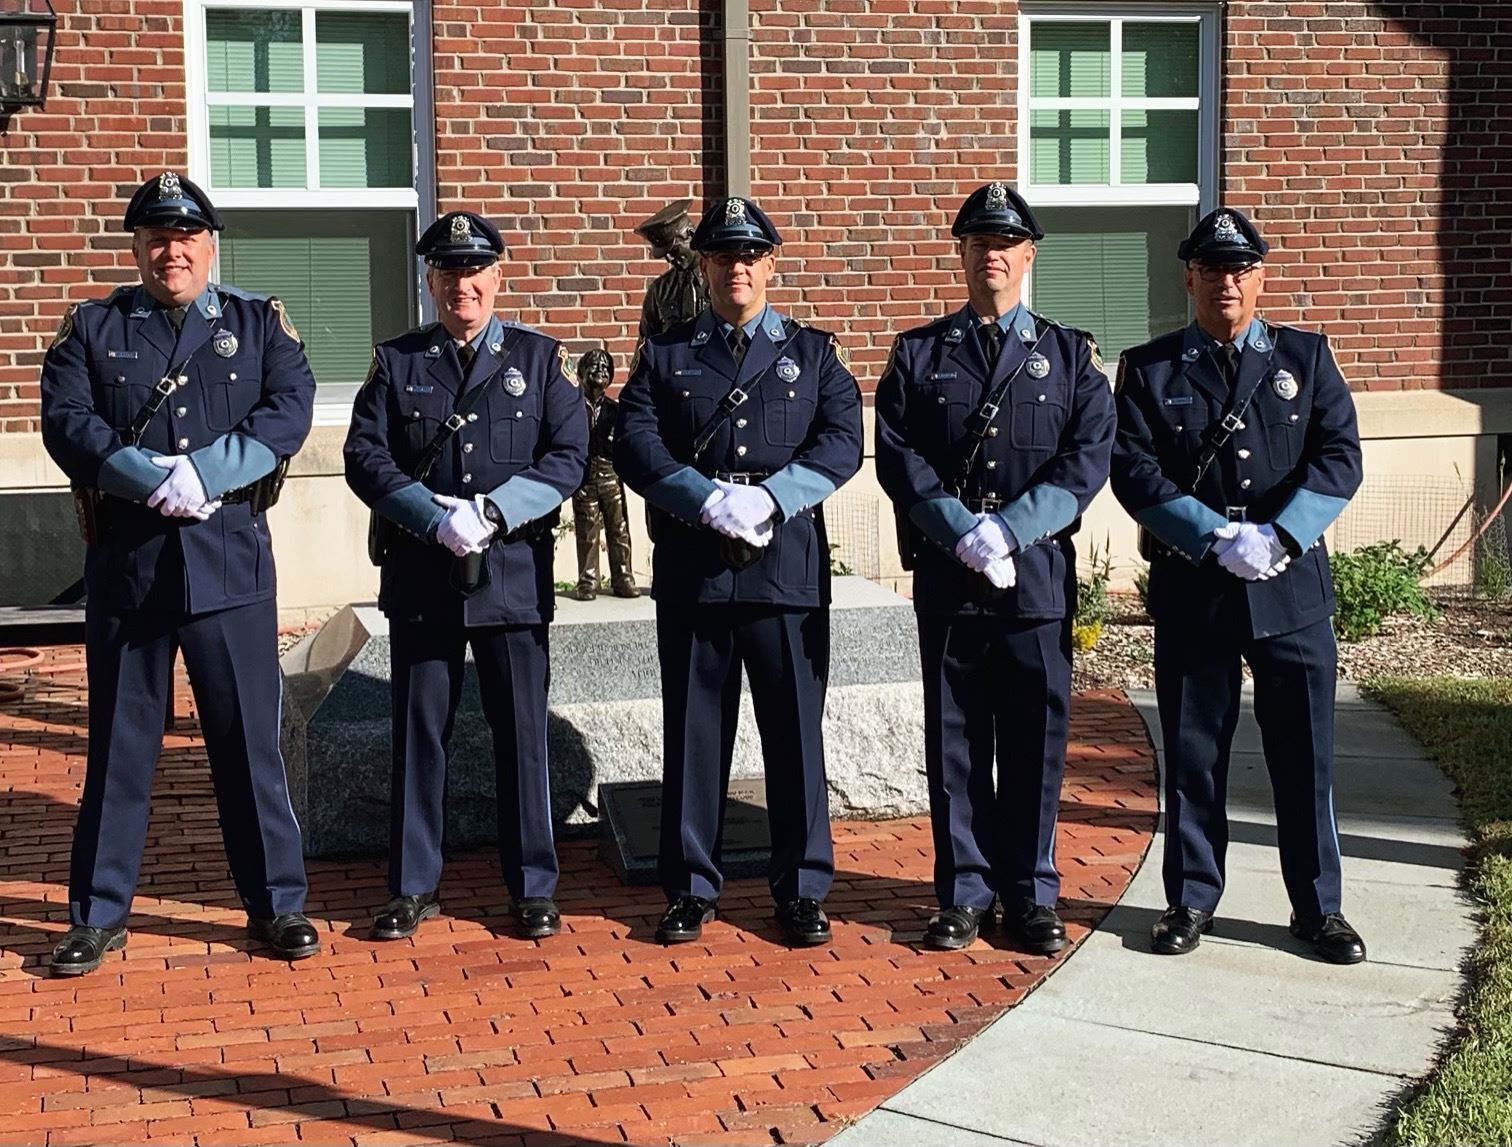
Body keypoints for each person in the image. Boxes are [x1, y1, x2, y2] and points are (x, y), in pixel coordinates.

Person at [39, 171, 318, 975]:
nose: (173, 251)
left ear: (210, 243)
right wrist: (141, 473)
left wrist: (209, 472)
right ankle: (97, 913)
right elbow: (66, 420)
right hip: (131, 571)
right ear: (138, 247)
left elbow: (289, 406)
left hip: (227, 568)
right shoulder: (94, 327)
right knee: (121, 749)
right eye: (158, 238)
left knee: (246, 748)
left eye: (187, 236)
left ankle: (277, 904)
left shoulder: (256, 323)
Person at [1110, 207, 1366, 964]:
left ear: (1260, 277)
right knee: (1193, 756)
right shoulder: (1152, 368)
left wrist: (1281, 534)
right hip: (1198, 589)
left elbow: (1339, 456)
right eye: (1212, 269)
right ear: (1189, 276)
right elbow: (1133, 468)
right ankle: (1191, 899)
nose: (1227, 281)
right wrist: (1212, 535)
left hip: (1290, 590)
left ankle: (1318, 907)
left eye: (1240, 269)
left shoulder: (1306, 358)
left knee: (1305, 757)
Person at [614, 196, 863, 947]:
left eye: (751, 256)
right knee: (693, 733)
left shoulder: (814, 352)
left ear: (771, 265)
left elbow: (843, 439)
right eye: (724, 257)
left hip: (783, 568)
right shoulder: (667, 353)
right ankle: (691, 885)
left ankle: (801, 887)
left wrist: (772, 500)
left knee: (794, 739)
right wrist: (704, 499)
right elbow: (633, 439)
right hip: (696, 568)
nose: (739, 269)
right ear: (706, 267)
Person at [875, 182, 1115, 954]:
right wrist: (958, 531)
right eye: (980, 243)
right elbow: (898, 458)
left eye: (1006, 244)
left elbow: (1085, 463)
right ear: (963, 254)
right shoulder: (919, 353)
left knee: (1036, 740)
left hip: (1035, 578)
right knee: (955, 742)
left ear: (1028, 256)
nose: (993, 256)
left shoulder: (1069, 353)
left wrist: (1008, 531)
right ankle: (963, 892)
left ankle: (1031, 890)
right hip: (951, 579)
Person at [343, 211, 588, 943]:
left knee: (522, 736)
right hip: (424, 572)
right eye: (448, 274)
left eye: (474, 272)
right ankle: (413, 885)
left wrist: (494, 510)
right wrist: (428, 514)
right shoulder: (397, 361)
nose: (462, 286)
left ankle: (533, 884)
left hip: (510, 574)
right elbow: (365, 456)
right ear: (431, 282)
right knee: (420, 734)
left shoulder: (542, 361)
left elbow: (568, 455)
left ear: (497, 277)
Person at [570, 348, 637, 600]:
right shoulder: (573, 408)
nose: (600, 371)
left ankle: (623, 576)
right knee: (587, 531)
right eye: (594, 366)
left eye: (605, 368)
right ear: (580, 372)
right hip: (584, 479)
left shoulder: (615, 410)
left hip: (611, 477)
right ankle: (588, 581)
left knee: (619, 529)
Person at [635, 200, 708, 341]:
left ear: (691, 234)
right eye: (665, 254)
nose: (670, 258)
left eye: (674, 250)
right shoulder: (661, 290)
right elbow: (646, 343)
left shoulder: (720, 278)